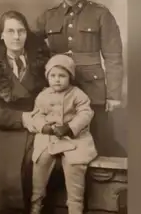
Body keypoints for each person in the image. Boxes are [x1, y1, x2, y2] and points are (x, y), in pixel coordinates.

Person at [0, 0, 124, 156]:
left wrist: (114, 94)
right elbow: (22, 37)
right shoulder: (49, 16)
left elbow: (113, 54)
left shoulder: (100, 14)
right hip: (57, 90)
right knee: (57, 144)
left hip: (93, 91)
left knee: (97, 145)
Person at [0, 10, 50, 214]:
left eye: (21, 31)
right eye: (10, 31)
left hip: (33, 122)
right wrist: (20, 118)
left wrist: (37, 117)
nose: (16, 37)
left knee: (36, 162)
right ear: (1, 35)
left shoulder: (40, 59)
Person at [25, 54, 98, 214]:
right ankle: (36, 205)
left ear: (70, 77)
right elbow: (36, 115)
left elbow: (86, 113)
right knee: (39, 163)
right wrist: (44, 127)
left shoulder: (77, 94)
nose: (57, 79)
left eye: (62, 76)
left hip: (74, 138)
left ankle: (75, 208)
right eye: (53, 75)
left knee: (75, 168)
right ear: (48, 77)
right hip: (50, 137)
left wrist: (70, 127)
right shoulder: (43, 95)